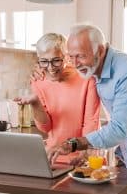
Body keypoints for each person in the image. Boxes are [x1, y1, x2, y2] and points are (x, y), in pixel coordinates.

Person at [46, 24, 127, 194]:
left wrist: (75, 144)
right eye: (71, 57)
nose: (75, 63)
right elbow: (65, 76)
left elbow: (118, 129)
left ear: (100, 51)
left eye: (80, 56)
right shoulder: (93, 65)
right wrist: (43, 72)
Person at [14, 33, 100, 163]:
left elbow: (91, 122)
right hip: (53, 157)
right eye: (44, 61)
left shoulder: (86, 77)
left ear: (66, 57)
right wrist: (35, 103)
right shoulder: (38, 81)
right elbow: (46, 128)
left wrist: (84, 154)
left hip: (83, 156)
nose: (50, 68)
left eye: (56, 60)